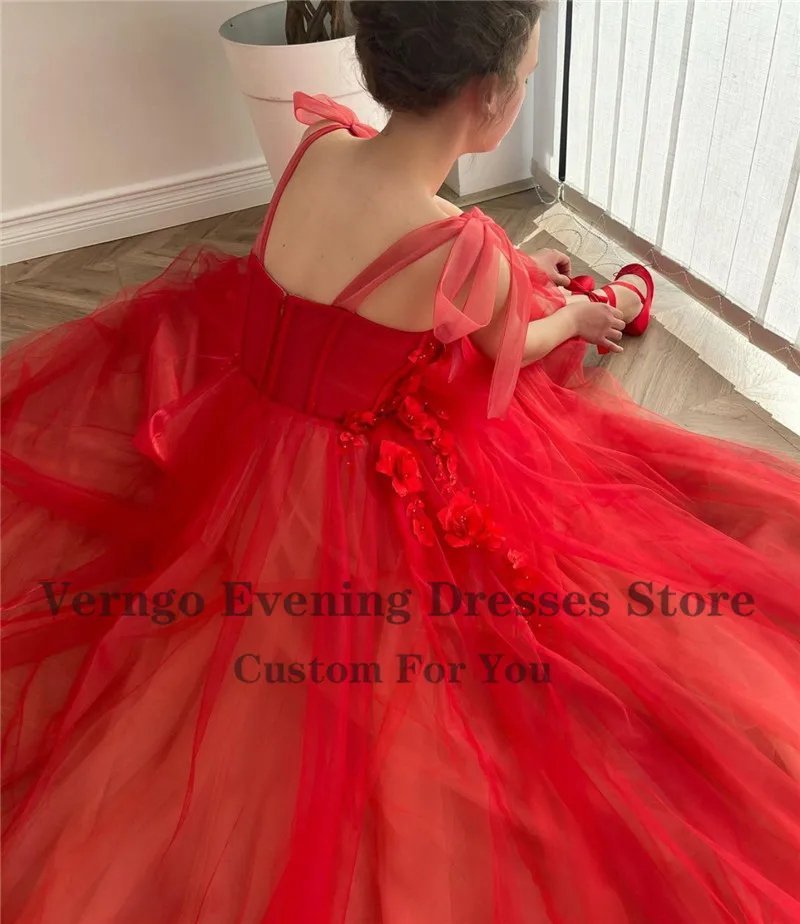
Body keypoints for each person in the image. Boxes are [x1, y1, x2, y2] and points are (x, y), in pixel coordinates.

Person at [2, 2, 799, 922]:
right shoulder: (462, 247)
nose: (526, 90)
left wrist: (509, 285)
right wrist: (580, 316)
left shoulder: (316, 146)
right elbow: (510, 353)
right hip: (345, 489)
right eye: (527, 79)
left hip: (251, 438)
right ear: (488, 97)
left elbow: (371, 273)